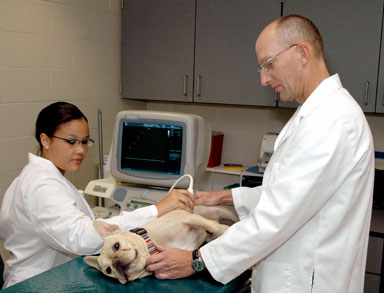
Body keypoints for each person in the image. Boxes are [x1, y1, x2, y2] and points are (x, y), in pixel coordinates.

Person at [145, 15, 375, 292]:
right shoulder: (314, 114)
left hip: (309, 282)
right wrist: (223, 196)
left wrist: (197, 260)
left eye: (269, 64)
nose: (264, 79)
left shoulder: (333, 120)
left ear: (302, 53)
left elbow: (277, 215)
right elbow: (288, 192)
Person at [0, 102, 194, 288]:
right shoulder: (41, 184)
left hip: (51, 277)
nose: (81, 150)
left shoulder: (45, 177)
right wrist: (157, 209)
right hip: (36, 284)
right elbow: (81, 239)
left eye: (84, 142)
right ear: (45, 140)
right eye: (71, 142)